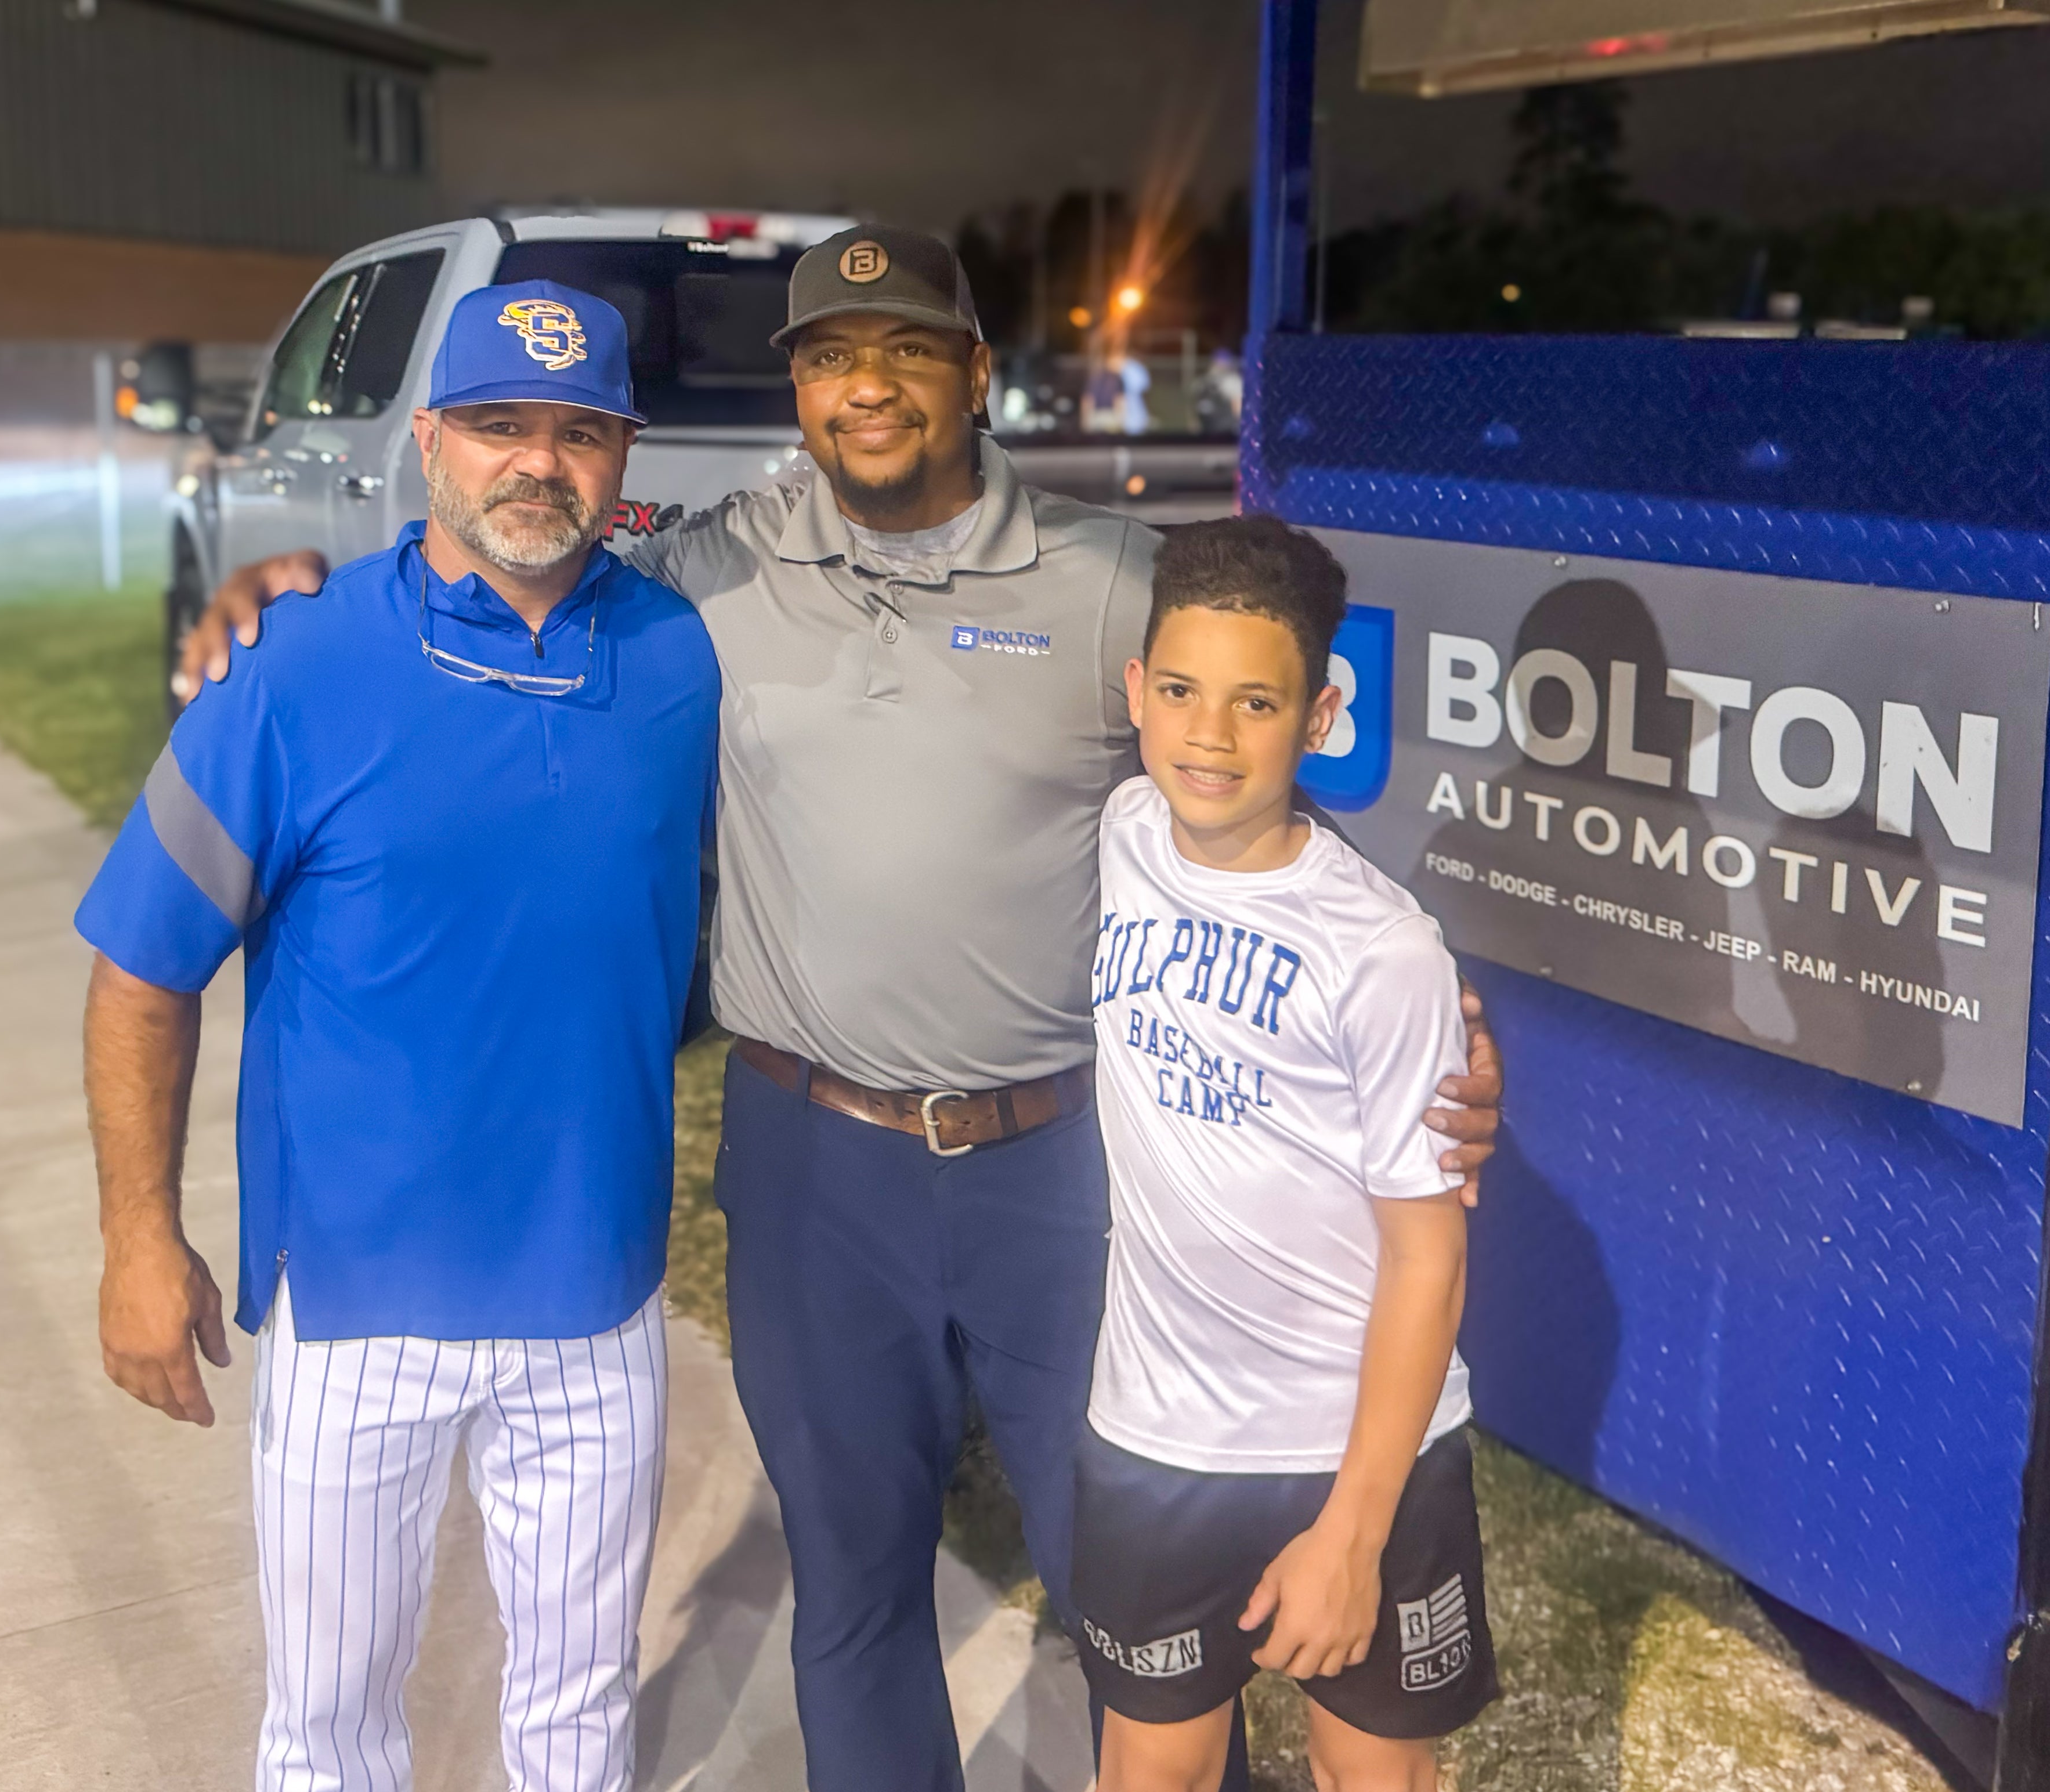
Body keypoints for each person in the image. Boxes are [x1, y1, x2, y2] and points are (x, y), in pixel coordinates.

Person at [178, 225, 1504, 1792]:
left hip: (1057, 1173)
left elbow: (1248, 746)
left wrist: (1410, 996)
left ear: (974, 371)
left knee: (1118, 1590)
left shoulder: (1108, 582)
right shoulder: (708, 574)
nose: (865, 386)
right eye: (826, 357)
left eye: (905, 349)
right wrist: (292, 592)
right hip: (814, 1167)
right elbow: (513, 554)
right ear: (796, 390)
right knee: (854, 1583)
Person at [77, 280, 720, 1792]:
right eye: (498, 425)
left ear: (623, 457)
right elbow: (141, 972)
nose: (538, 462)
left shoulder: (684, 659)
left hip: (597, 1293)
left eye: (578, 432)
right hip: (359, 1303)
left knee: (579, 1712)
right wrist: (137, 1237)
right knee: (329, 1725)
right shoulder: (293, 662)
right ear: (427, 440)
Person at [1075, 516, 1495, 1792]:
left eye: (1254, 703)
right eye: (1180, 692)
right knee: (1149, 1769)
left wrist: (1353, 1533)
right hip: (1155, 1432)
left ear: (1318, 719)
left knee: (1370, 1774)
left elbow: (1428, 1257)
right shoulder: (1122, 829)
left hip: (1352, 1443)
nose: (1208, 735)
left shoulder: (1382, 949)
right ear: (1135, 692)